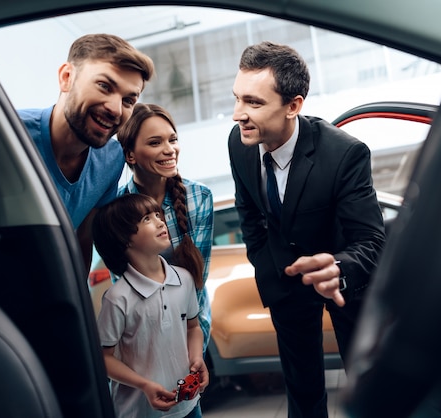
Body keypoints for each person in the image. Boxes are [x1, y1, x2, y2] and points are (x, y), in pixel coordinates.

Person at [228, 41, 386, 418]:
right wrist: (269, 268)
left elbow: (371, 239)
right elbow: (248, 211)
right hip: (286, 284)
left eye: (253, 102)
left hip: (346, 285)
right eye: (236, 98)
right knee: (302, 392)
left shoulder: (345, 154)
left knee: (368, 390)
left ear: (293, 105)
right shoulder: (239, 143)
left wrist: (339, 268)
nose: (238, 114)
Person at [0, 33, 155, 271]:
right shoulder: (3, 136)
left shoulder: (112, 158)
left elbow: (83, 239)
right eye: (104, 86)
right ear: (67, 78)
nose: (116, 110)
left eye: (128, 100)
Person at [93, 193, 208, 418]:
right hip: (140, 412)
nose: (159, 221)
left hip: (189, 406)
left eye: (158, 215)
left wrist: (197, 358)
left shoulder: (183, 278)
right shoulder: (117, 298)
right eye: (147, 219)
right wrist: (145, 385)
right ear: (124, 238)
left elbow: (193, 327)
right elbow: (103, 358)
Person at [116, 103, 214, 353]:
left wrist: (194, 347)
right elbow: (125, 284)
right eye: (155, 142)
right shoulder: (115, 208)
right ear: (130, 154)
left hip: (190, 330)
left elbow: (197, 283)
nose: (170, 150)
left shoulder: (199, 197)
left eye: (173, 139)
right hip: (140, 336)